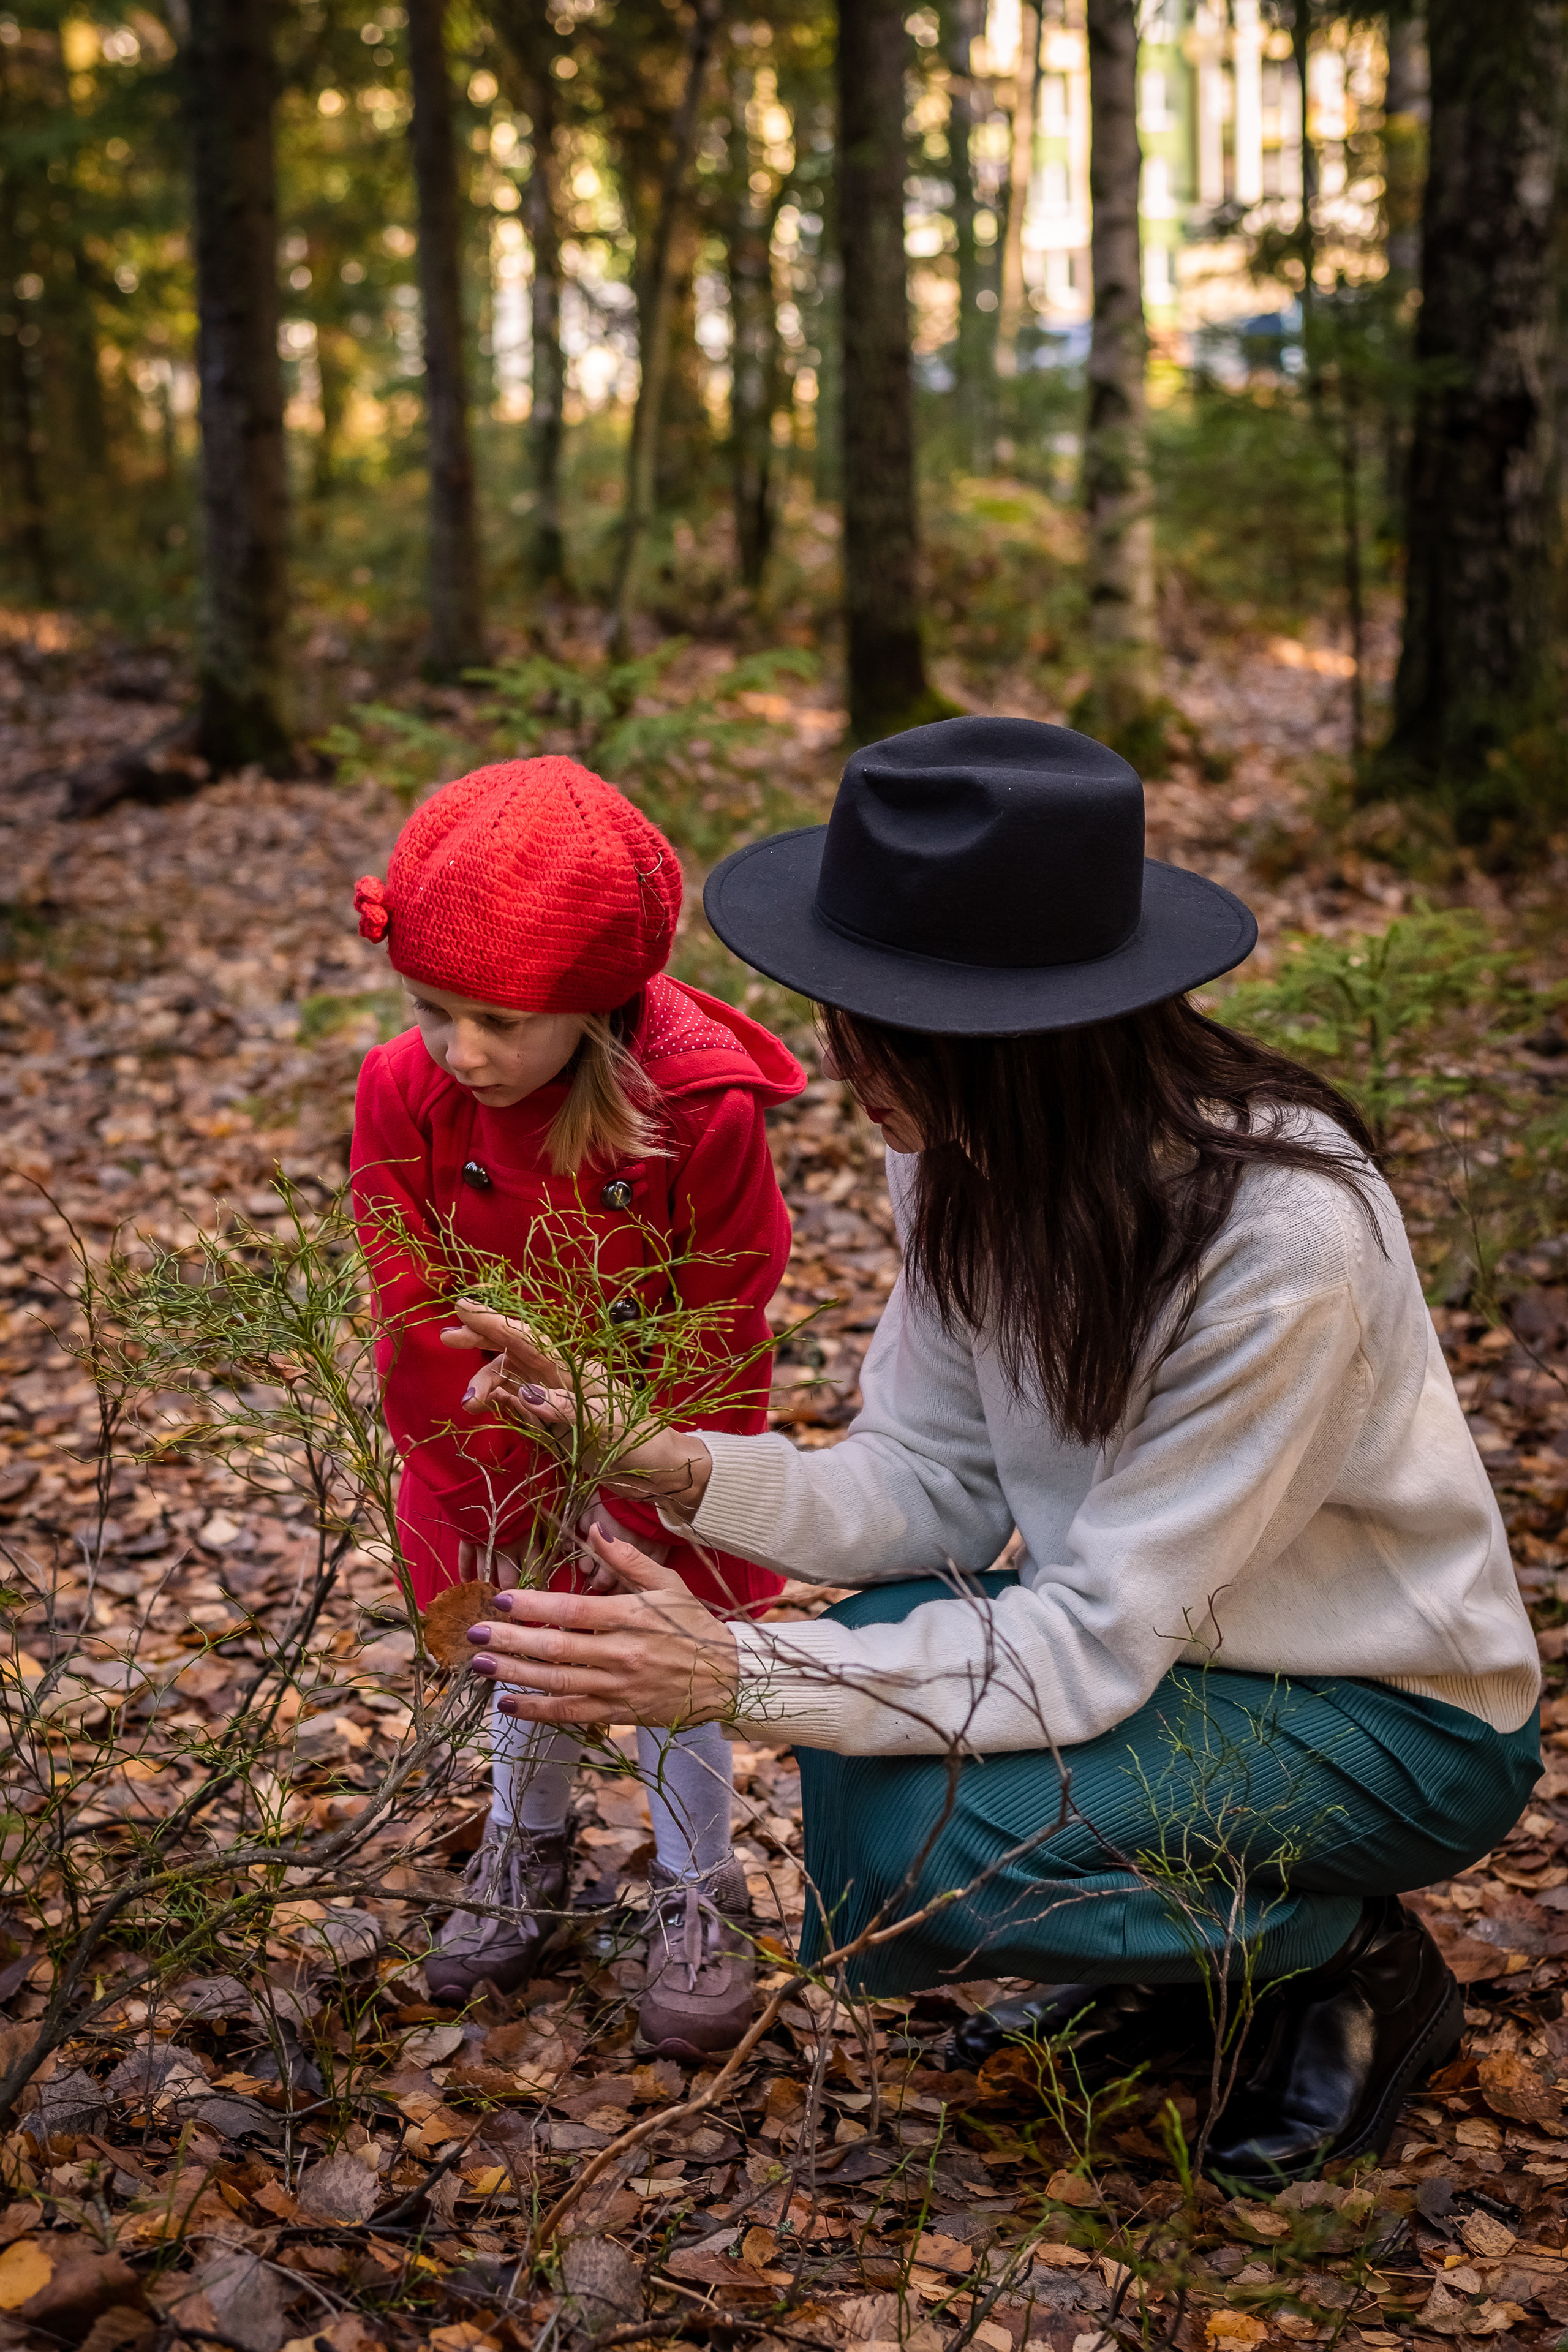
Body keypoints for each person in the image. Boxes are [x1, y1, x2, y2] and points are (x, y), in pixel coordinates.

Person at [442, 716, 1543, 2186]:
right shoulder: (957, 1152)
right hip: (1174, 1653)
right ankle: (1175, 1971)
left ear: (1023, 1042)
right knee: (869, 1705)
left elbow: (1089, 1630)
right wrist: (659, 1458)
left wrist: (733, 1673)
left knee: (934, 1829)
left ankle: (1335, 1963)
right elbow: (931, 1491)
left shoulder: (1284, 1239)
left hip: (1386, 1715)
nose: (840, 1066)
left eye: (876, 1026)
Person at [349, 755, 804, 2052]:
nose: (465, 1050)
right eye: (437, 1009)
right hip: (480, 1434)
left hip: (662, 1430)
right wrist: (477, 1467)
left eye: (501, 1021)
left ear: (597, 1004)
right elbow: (408, 1286)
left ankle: (694, 1882)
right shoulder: (406, 1090)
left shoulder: (692, 1110)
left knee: (664, 1647)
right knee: (524, 1639)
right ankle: (524, 1850)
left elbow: (725, 1304)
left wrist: (663, 1485)